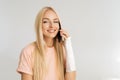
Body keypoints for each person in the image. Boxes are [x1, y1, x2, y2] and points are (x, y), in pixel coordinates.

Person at [17, 6, 76, 80]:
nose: (52, 26)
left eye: (55, 21)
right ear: (39, 25)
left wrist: (68, 46)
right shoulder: (28, 51)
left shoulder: (63, 50)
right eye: (46, 21)